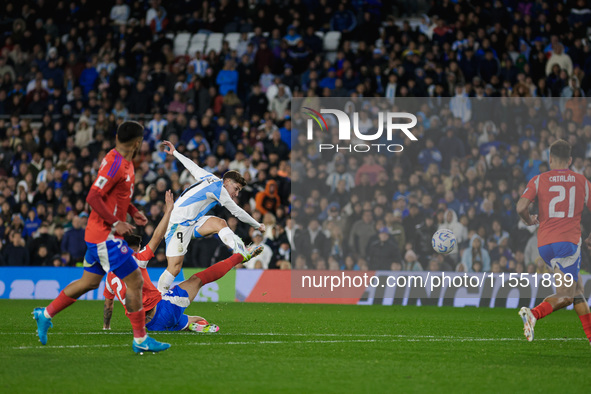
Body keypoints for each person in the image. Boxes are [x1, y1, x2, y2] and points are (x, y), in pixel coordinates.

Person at [34, 121, 170, 354]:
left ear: (117, 136)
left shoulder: (119, 160)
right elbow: (93, 196)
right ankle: (140, 339)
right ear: (138, 143)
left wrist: (133, 211)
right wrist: (117, 222)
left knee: (89, 282)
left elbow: (116, 196)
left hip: (97, 234)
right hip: (106, 237)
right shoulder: (116, 164)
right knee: (135, 281)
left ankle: (45, 314)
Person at [102, 190, 264, 332]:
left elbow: (108, 307)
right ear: (132, 249)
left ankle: (189, 325)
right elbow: (157, 237)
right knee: (199, 279)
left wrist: (106, 327)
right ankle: (241, 256)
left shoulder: (109, 278)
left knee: (199, 320)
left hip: (149, 326)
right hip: (162, 310)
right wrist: (168, 211)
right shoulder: (136, 260)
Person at [157, 140, 265, 294]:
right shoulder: (220, 189)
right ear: (227, 182)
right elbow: (237, 212)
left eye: (239, 190)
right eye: (236, 188)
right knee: (174, 268)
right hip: (177, 224)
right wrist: (257, 225)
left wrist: (175, 152)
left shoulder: (210, 177)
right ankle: (157, 297)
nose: (236, 193)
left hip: (192, 222)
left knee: (219, 223)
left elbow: (192, 167)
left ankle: (240, 250)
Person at [516, 139, 591, 344]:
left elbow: (521, 207)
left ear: (550, 159)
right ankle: (533, 314)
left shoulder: (539, 180)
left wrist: (529, 220)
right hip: (567, 244)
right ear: (570, 160)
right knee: (566, 295)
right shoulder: (581, 181)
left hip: (545, 246)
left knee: (577, 292)